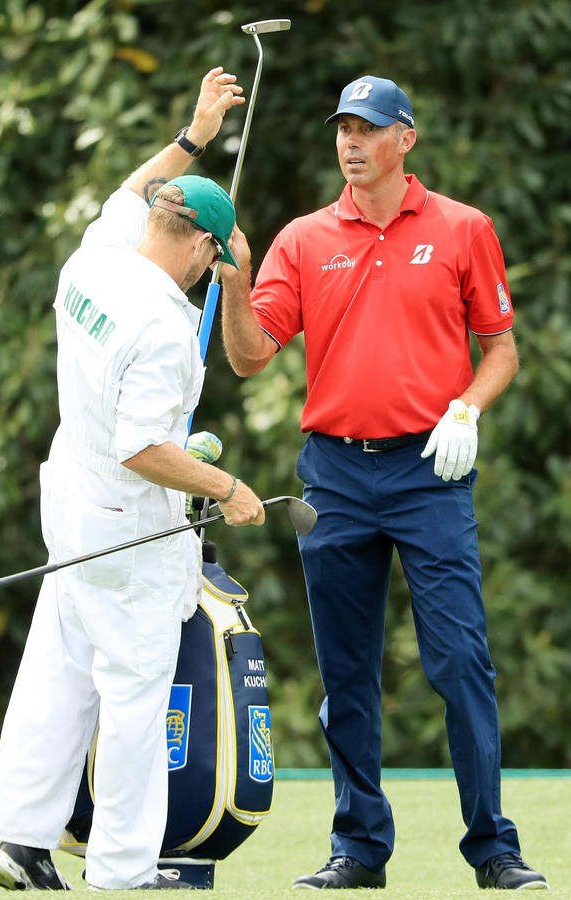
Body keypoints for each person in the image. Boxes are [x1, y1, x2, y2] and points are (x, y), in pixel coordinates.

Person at [219, 75, 548, 891]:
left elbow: (500, 345)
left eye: (367, 128)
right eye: (342, 129)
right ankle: (359, 850)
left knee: (459, 661)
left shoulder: (464, 228)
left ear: (406, 138)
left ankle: (493, 848)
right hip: (332, 474)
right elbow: (251, 354)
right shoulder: (302, 237)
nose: (350, 142)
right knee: (346, 675)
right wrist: (232, 285)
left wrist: (466, 410)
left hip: (428, 473)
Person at [0, 67, 265, 892]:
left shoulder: (95, 254)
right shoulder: (167, 326)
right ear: (207, 247)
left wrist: (195, 133)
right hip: (127, 520)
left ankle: (24, 840)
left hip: (69, 493)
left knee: (59, 662)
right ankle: (122, 870)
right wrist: (225, 487)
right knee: (137, 692)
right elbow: (145, 447)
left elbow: (137, 185)